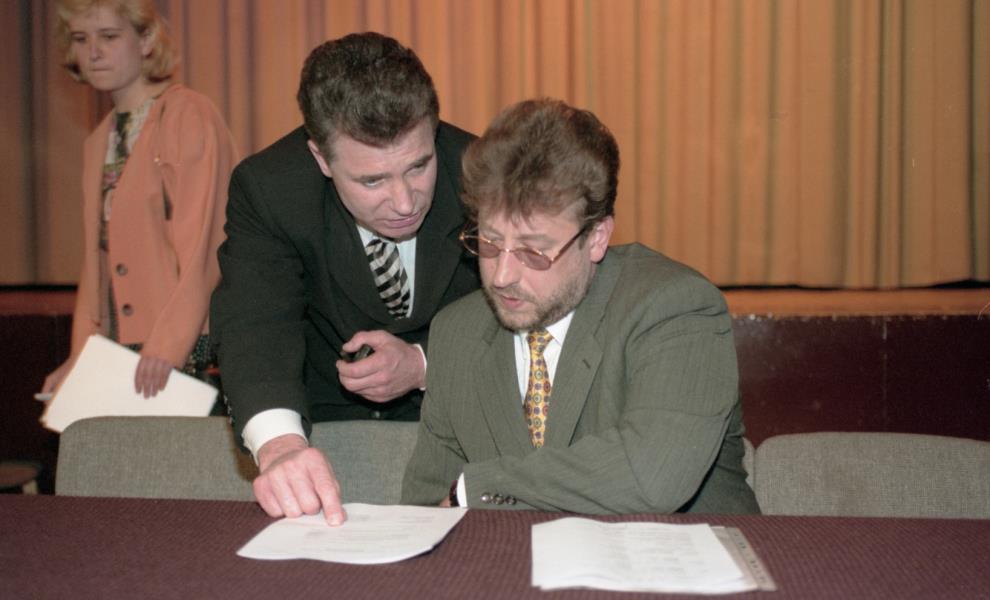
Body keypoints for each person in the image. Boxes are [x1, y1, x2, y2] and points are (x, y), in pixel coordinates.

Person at [401, 99, 760, 514]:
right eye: (489, 242)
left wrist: (478, 489)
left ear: (596, 238)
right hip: (511, 557)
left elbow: (651, 477)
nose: (501, 276)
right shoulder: (457, 334)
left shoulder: (675, 309)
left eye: (533, 252)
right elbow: (424, 512)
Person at [209, 33, 479, 524]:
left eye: (419, 166)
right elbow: (255, 323)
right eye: (372, 180)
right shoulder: (270, 189)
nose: (405, 202)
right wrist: (281, 446)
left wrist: (426, 364)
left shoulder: (481, 173)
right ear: (320, 158)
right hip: (322, 429)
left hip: (462, 433)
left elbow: (528, 325)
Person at [42, 0, 238, 400]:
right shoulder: (99, 139)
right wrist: (81, 356)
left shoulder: (188, 114)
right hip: (124, 346)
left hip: (186, 346)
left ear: (146, 40)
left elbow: (206, 244)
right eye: (81, 39)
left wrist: (169, 343)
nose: (93, 52)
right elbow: (96, 262)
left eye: (109, 36)